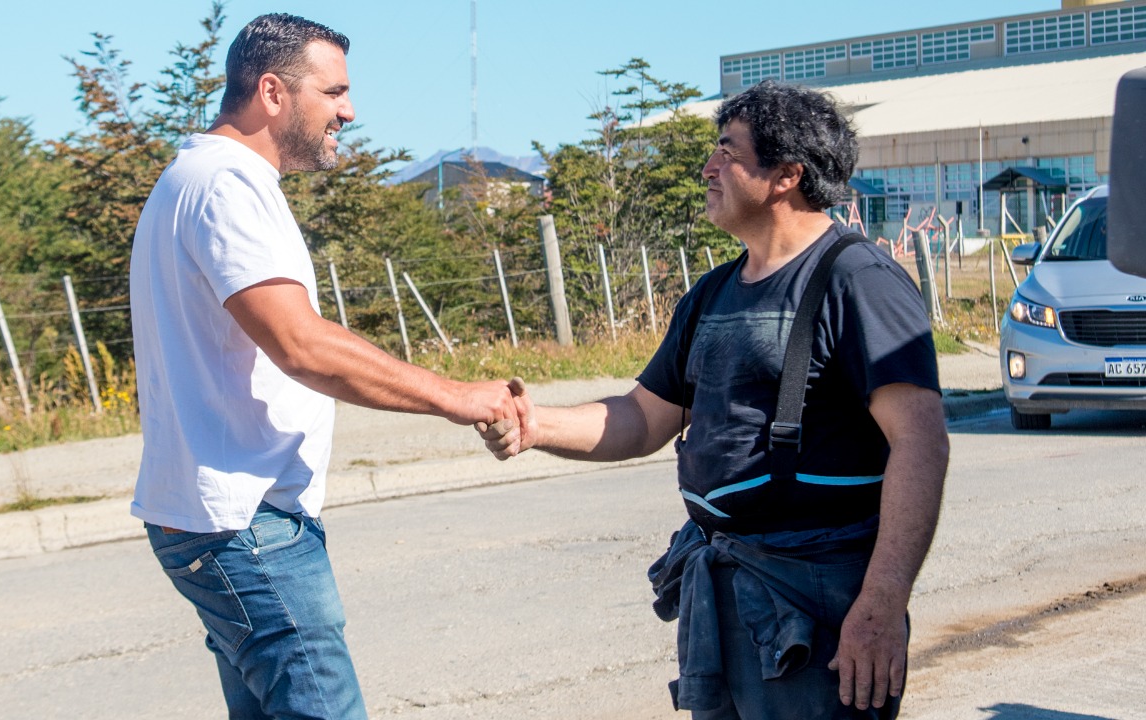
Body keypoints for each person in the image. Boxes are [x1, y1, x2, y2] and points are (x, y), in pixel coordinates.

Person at [479, 80, 949, 719]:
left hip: (817, 596)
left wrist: (882, 602)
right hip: (725, 586)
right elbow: (641, 418)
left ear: (786, 175)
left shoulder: (860, 281)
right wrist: (535, 425)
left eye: (727, 152)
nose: (708, 167)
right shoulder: (713, 292)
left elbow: (920, 441)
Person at [129, 14, 519, 719]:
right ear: (272, 92)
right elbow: (300, 344)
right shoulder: (226, 185)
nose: (349, 110)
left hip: (224, 516)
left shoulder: (196, 176)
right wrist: (457, 396)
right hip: (247, 523)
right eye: (333, 92)